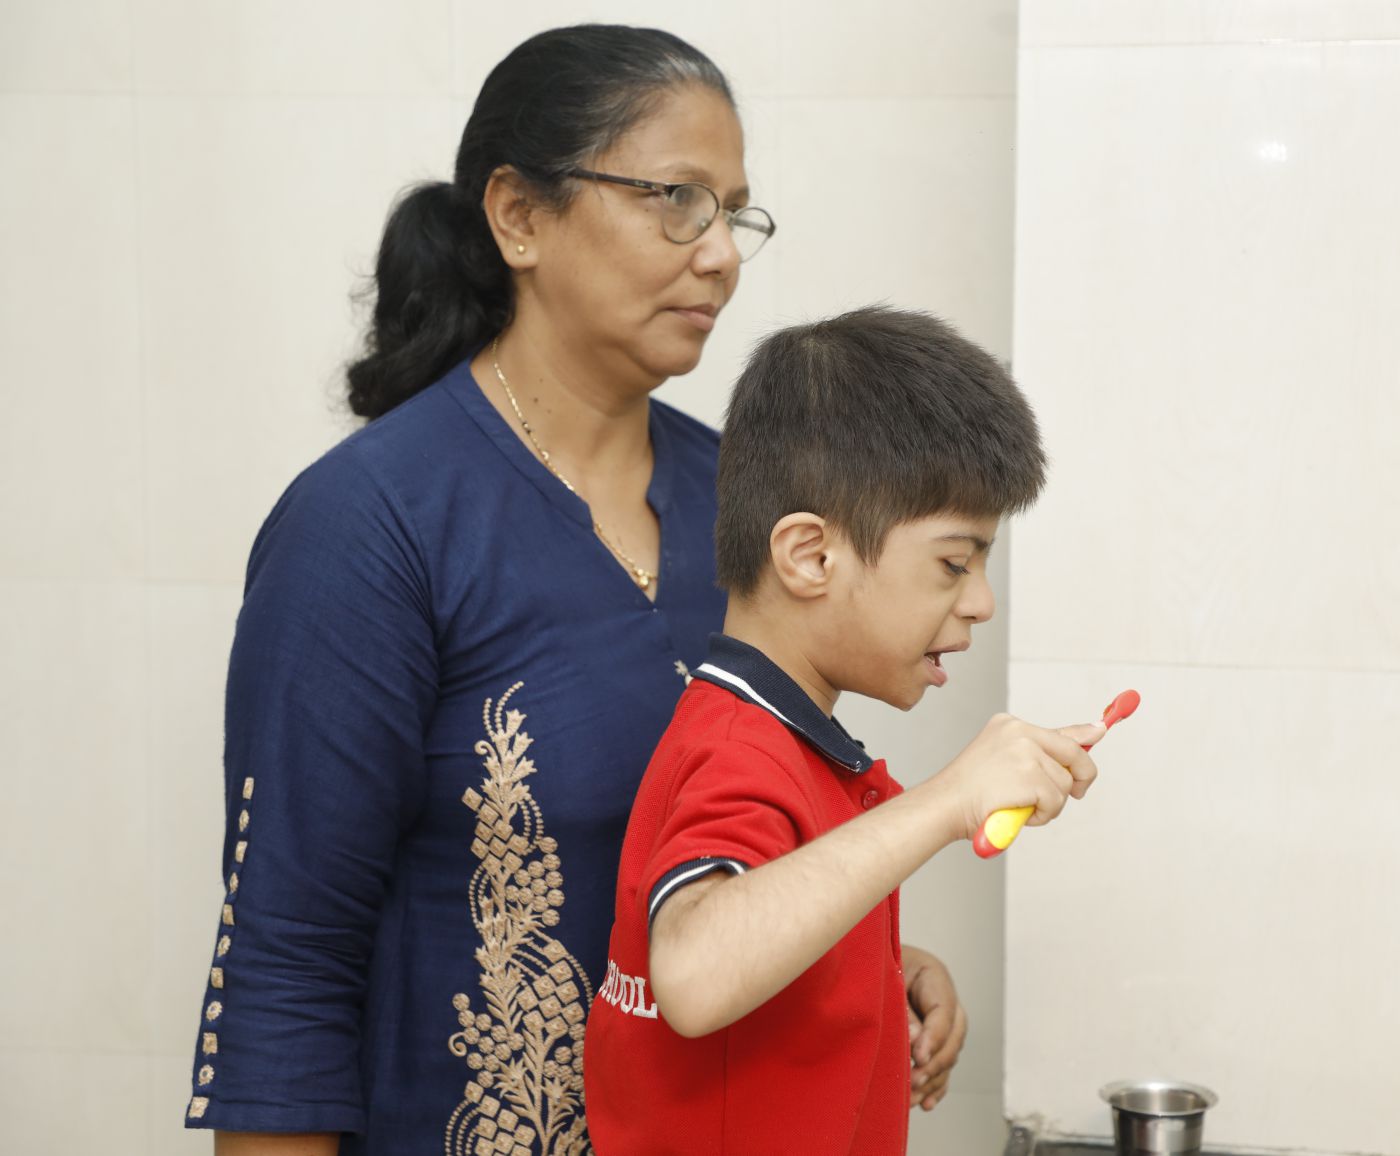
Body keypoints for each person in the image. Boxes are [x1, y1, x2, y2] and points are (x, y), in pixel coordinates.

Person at [183, 26, 964, 1156]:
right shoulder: (369, 525)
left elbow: (733, 854)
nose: (720, 255)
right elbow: (285, 962)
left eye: (733, 213)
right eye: (675, 200)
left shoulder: (748, 505)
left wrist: (856, 956)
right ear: (518, 216)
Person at [584, 306, 1107, 1154]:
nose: (981, 602)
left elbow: (766, 921)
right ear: (810, 557)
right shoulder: (738, 749)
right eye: (953, 563)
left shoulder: (786, 740)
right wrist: (948, 799)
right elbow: (694, 971)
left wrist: (880, 967)